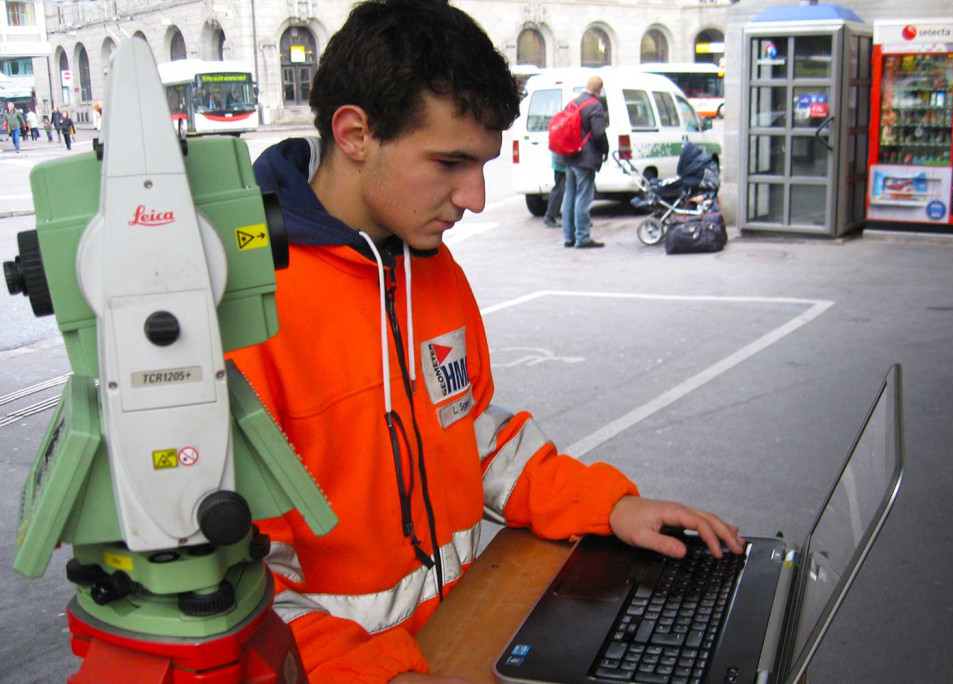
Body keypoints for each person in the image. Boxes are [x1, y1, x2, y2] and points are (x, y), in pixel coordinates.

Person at [228, 2, 743, 682]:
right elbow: (243, 588)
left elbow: (469, 433)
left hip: (467, 636)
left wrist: (607, 506)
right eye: (450, 162)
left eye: (482, 165)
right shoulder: (245, 311)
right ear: (355, 133)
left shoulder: (431, 268)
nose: (474, 197)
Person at [558, 76, 608, 249]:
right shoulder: (595, 105)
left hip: (569, 156)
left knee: (569, 196)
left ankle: (568, 237)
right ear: (599, 90)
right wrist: (605, 150)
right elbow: (599, 133)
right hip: (585, 159)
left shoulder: (572, 103)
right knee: (583, 197)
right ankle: (583, 237)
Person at [543, 152, 565, 228]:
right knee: (559, 188)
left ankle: (550, 215)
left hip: (560, 159)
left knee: (560, 187)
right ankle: (550, 216)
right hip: (562, 160)